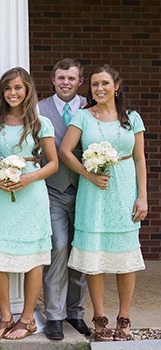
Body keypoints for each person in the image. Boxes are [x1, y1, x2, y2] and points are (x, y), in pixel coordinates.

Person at [59, 65, 147, 342]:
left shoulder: (132, 118)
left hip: (124, 193)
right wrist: (88, 175)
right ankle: (99, 318)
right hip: (93, 192)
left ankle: (124, 317)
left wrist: (142, 196)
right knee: (94, 257)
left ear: (116, 86)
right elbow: (64, 150)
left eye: (105, 83)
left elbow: (140, 159)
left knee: (125, 258)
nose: (100, 89)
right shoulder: (83, 116)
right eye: (95, 84)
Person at [0, 67, 58, 341]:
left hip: (31, 195)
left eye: (18, 88)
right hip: (1, 195)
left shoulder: (41, 123)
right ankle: (6, 316)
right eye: (8, 88)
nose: (12, 93)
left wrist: (29, 178)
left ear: (27, 90)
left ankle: (27, 319)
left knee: (33, 259)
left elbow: (53, 163)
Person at [38, 58, 90, 339]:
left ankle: (75, 313)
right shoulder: (39, 109)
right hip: (52, 192)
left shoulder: (91, 107)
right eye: (61, 78)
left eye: (71, 78)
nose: (65, 82)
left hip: (85, 190)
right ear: (53, 80)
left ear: (80, 81)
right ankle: (55, 316)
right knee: (57, 248)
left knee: (79, 250)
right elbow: (33, 151)